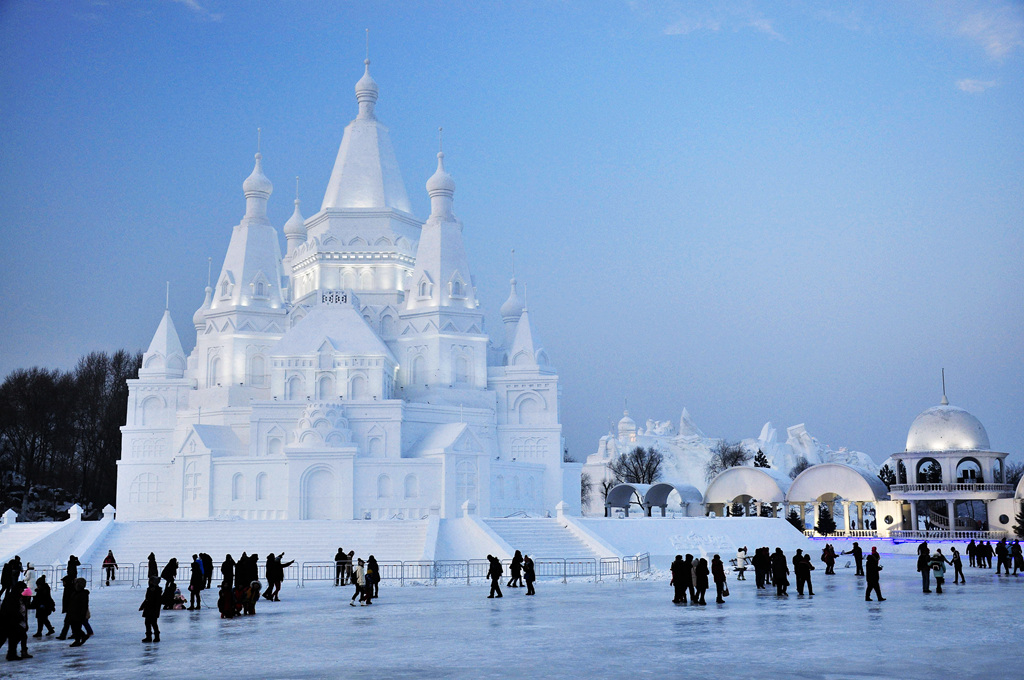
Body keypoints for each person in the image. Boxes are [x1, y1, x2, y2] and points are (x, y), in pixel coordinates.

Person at [67, 577, 89, 647]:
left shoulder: (83, 594)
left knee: (76, 627)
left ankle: (77, 640)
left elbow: (84, 605)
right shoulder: (75, 593)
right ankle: (82, 636)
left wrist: (82, 614)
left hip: (78, 613)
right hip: (73, 612)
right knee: (74, 627)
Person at [140, 577, 162, 643]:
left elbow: (156, 601)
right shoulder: (150, 589)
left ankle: (156, 636)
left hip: (153, 609)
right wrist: (142, 606)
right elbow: (147, 599)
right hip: (148, 608)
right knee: (147, 623)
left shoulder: (156, 590)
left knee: (153, 623)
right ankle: (149, 636)